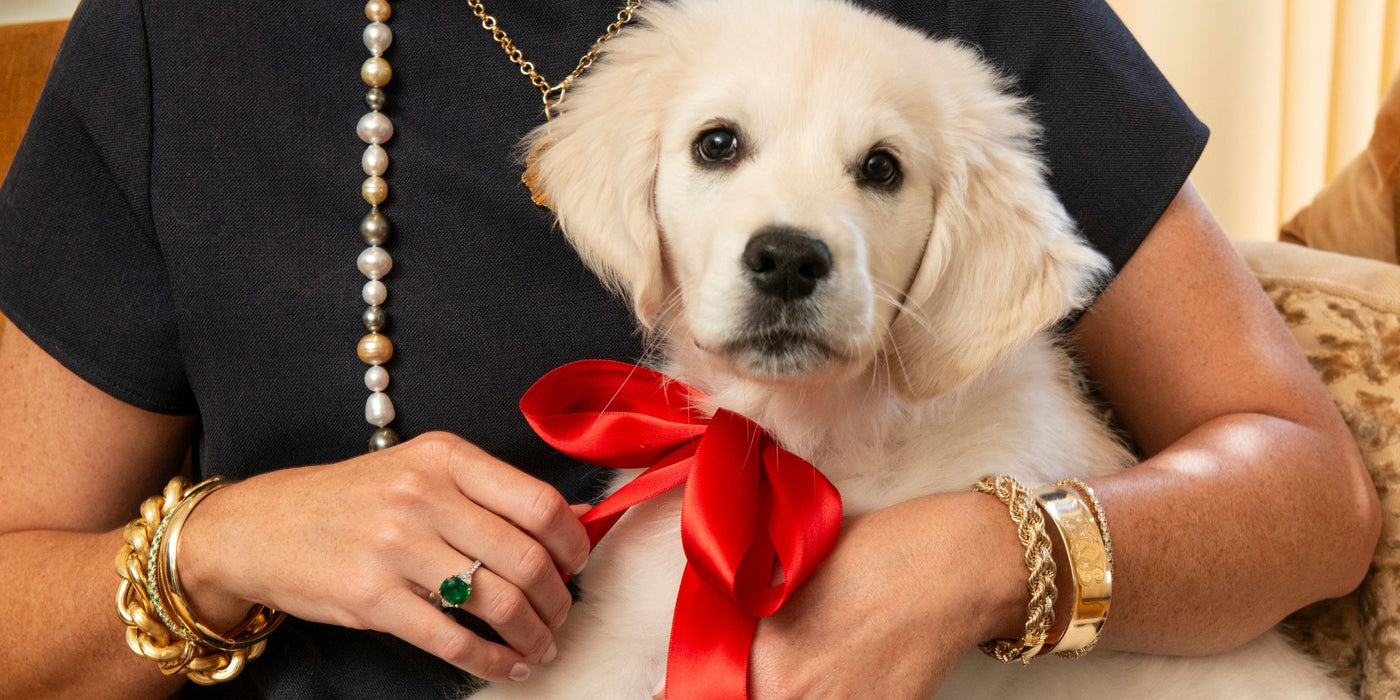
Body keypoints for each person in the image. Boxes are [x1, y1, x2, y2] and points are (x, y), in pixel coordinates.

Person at [0, 0, 1380, 698]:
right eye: (718, 150)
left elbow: (1309, 495)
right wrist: (225, 544)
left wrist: (986, 556)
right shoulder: (190, 38)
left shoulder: (952, 37)